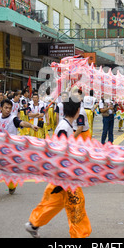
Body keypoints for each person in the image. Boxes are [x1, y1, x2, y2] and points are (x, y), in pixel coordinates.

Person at [25, 98, 92, 238]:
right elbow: (58, 151)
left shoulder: (66, 125)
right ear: (78, 111)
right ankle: (79, 235)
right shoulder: (64, 127)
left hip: (62, 174)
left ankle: (34, 224)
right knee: (77, 205)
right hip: (65, 175)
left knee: (54, 203)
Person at [0, 99, 39, 201]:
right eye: (6, 107)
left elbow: (22, 123)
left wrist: (31, 125)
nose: (8, 110)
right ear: (1, 108)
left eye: (10, 108)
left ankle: (12, 185)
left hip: (9, 150)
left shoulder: (13, 119)